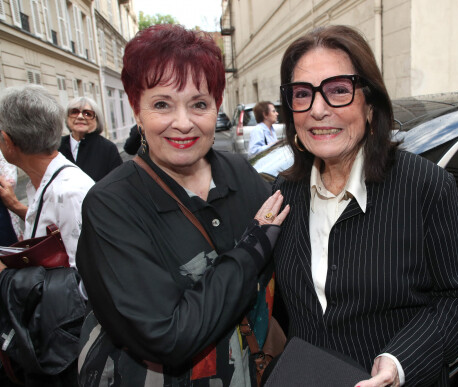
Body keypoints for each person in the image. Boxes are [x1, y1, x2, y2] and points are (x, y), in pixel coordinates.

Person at [272, 25, 458, 387]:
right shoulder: (286, 192)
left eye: (338, 90)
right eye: (302, 94)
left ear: (370, 105)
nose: (319, 110)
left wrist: (399, 362)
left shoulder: (424, 185)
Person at [76, 24, 290, 387]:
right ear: (136, 110)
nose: (183, 123)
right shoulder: (111, 205)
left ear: (215, 107)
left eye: (199, 104)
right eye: (162, 104)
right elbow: (168, 335)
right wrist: (252, 249)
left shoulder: (240, 173)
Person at [0, 84, 93, 385]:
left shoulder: (69, 191)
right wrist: (16, 206)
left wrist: (8, 276)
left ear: (9, 142)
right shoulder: (50, 182)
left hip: (70, 352)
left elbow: (88, 285)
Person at [59, 96, 123, 181]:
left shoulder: (107, 148)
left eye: (88, 114)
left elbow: (119, 183)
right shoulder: (56, 146)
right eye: (74, 112)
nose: (80, 117)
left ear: (97, 120)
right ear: (67, 118)